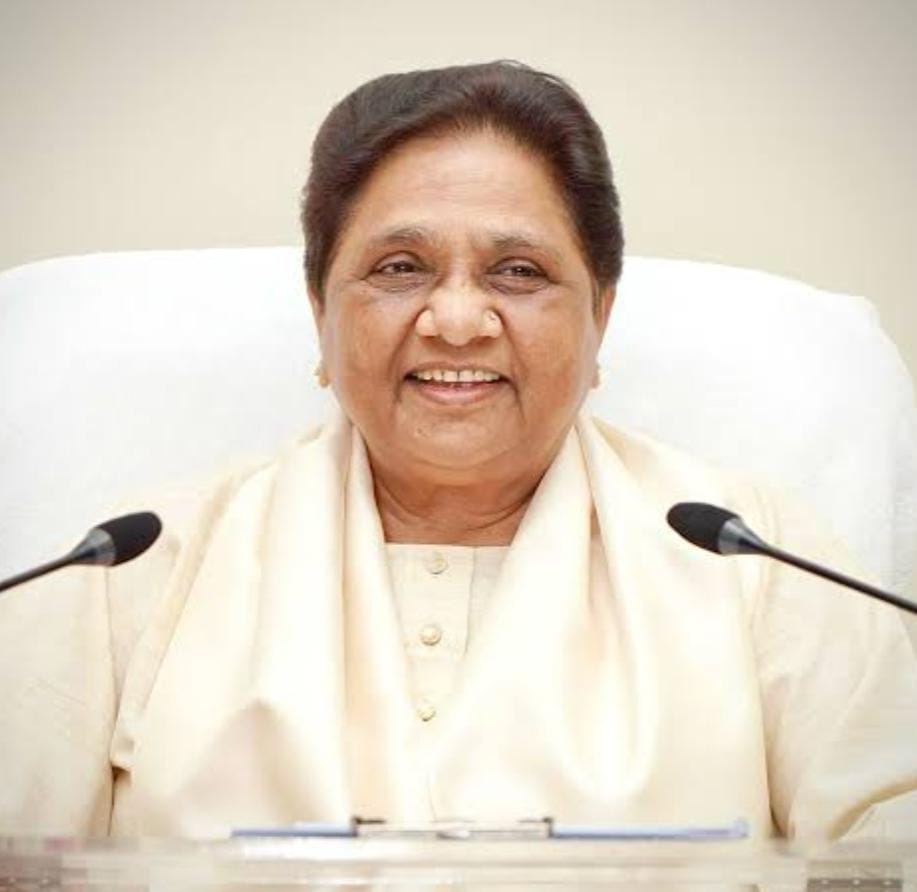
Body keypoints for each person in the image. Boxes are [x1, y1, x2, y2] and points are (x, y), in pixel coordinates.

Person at [1, 61, 916, 840]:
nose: (455, 320)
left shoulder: (755, 566)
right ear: (320, 313)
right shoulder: (133, 572)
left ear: (598, 316)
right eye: (399, 268)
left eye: (517, 272)